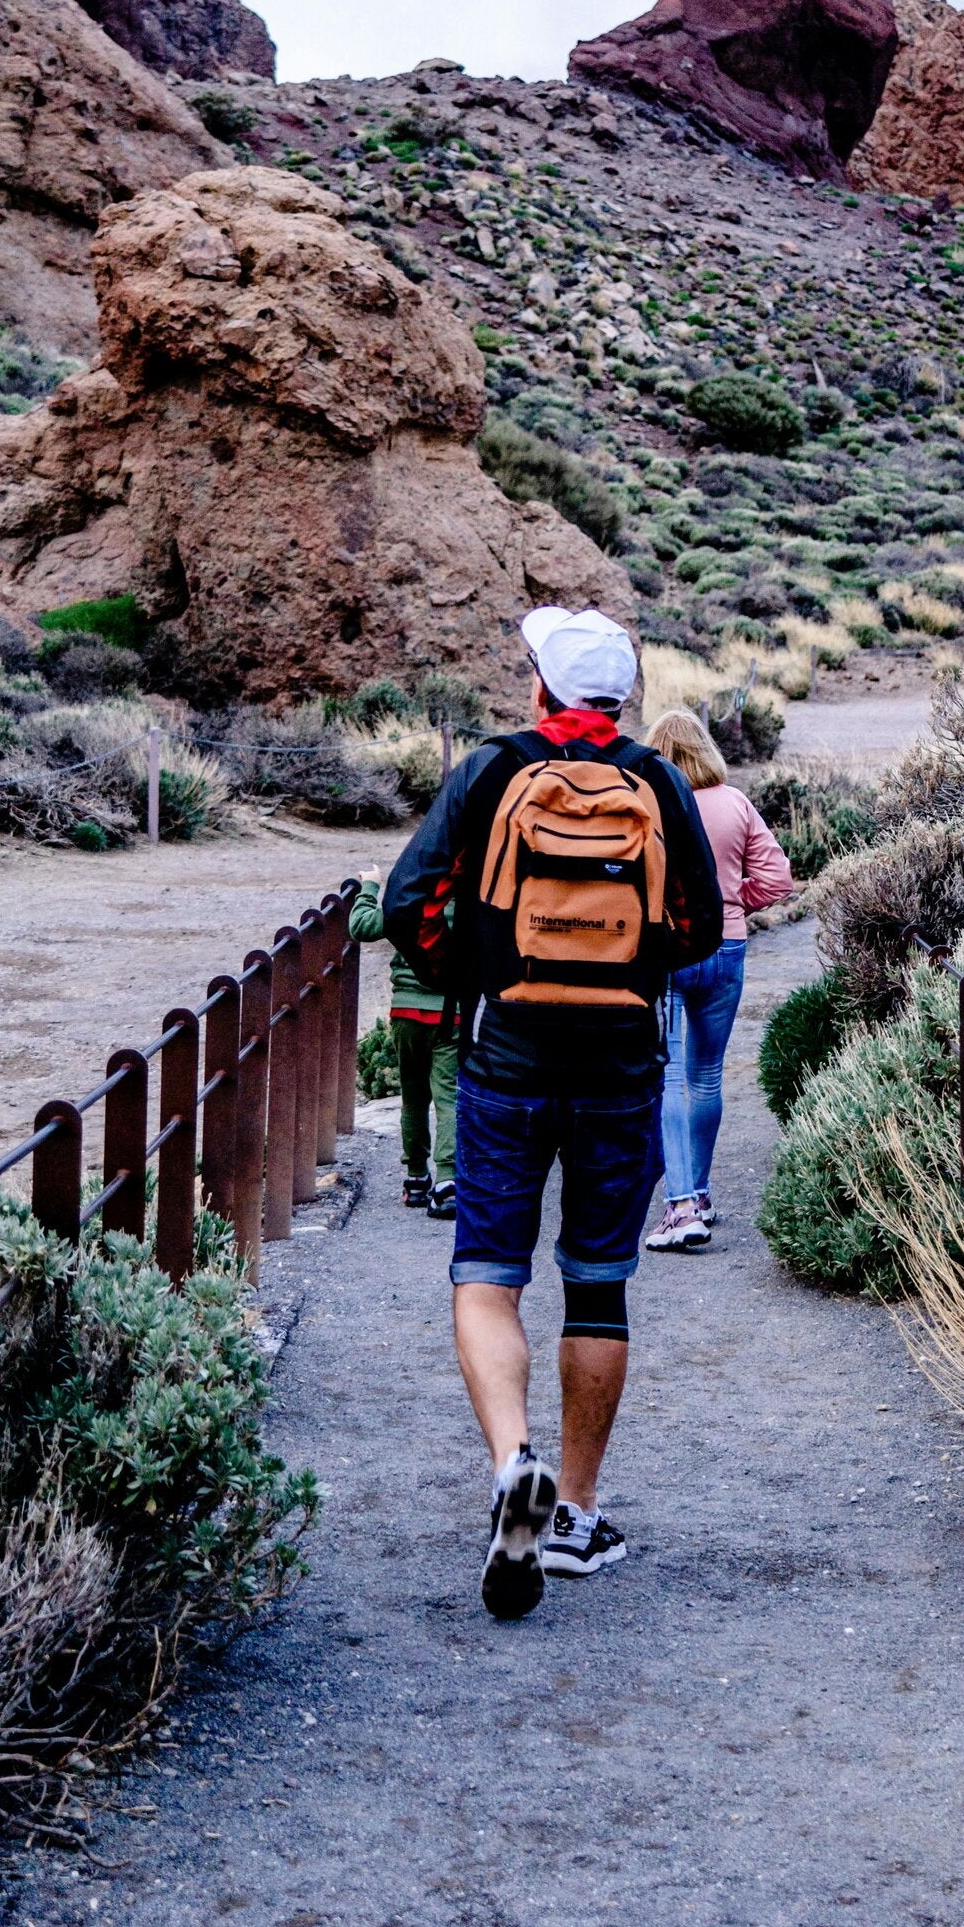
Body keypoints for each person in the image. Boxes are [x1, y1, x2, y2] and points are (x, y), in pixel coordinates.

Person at [383, 607, 723, 1621]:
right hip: (621, 1067)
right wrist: (628, 976)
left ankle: (510, 1466)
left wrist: (487, 975)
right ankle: (572, 1514)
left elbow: (409, 901)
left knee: (488, 1275)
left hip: (506, 1061)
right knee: (599, 1285)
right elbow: (698, 925)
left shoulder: (492, 770)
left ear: (538, 688)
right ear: (624, 700)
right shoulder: (659, 781)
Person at [641, 707, 794, 1254]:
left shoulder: (651, 803)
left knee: (671, 1078)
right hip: (727, 947)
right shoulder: (736, 802)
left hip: (669, 950)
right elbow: (779, 878)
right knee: (706, 1077)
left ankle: (681, 1206)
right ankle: (699, 1196)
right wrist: (734, 907)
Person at [348, 864, 459, 1217]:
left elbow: (361, 926)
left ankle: (415, 1180)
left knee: (412, 1098)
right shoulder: (471, 901)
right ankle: (447, 1180)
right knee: (448, 1097)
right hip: (451, 1013)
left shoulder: (409, 900)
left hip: (406, 1012)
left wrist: (369, 887)